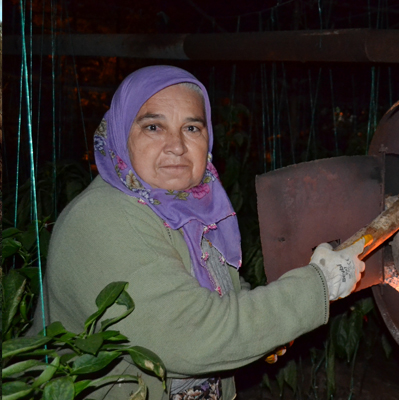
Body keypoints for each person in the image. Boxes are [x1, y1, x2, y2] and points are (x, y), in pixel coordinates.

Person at [43, 65, 365, 400]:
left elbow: (223, 291)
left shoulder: (184, 208)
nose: (177, 146)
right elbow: (191, 337)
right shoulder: (104, 219)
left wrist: (271, 330)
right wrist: (316, 286)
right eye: (154, 127)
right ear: (121, 135)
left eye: (192, 128)